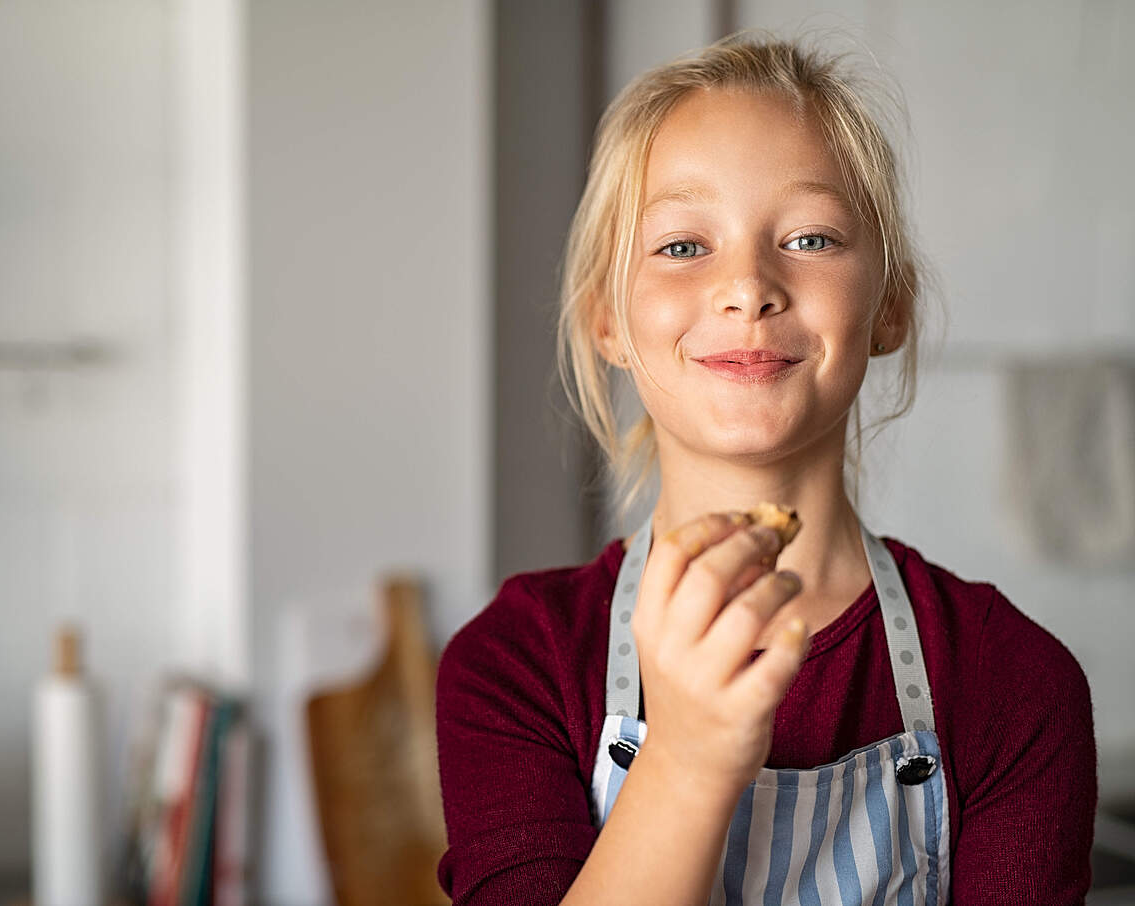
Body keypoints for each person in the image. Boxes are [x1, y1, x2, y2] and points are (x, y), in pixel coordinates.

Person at [434, 31, 1097, 906]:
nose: (749, 286)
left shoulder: (1016, 680)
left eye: (812, 238)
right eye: (681, 246)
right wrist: (686, 759)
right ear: (607, 322)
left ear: (888, 307)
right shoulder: (515, 664)